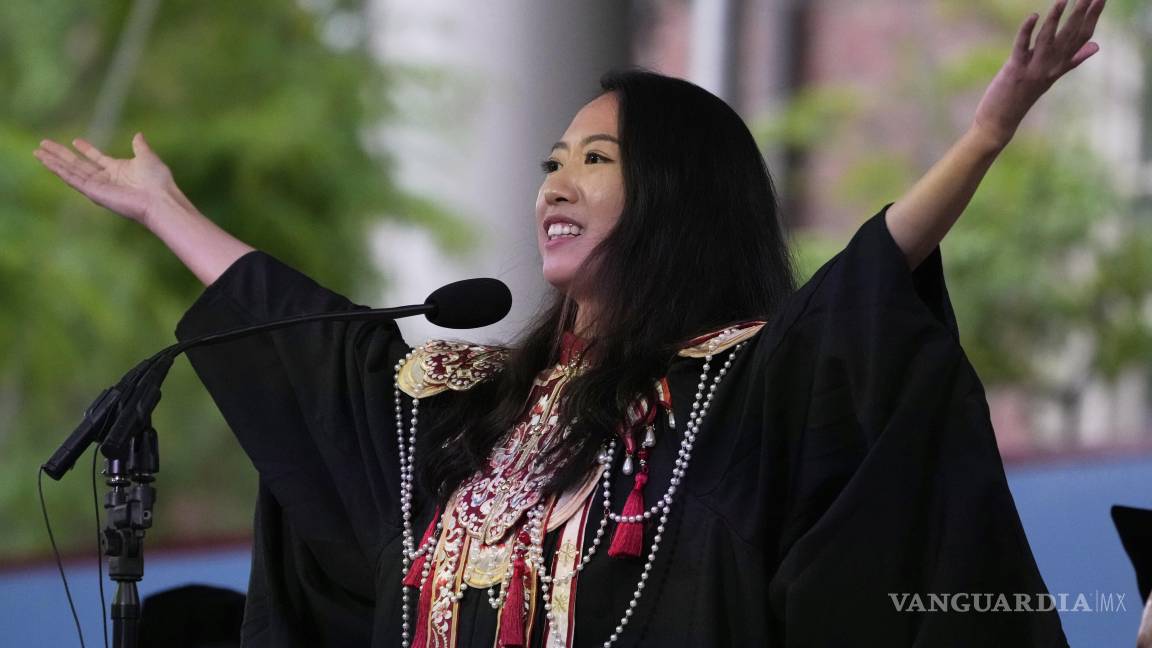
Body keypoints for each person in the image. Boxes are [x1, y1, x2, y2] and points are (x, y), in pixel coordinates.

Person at [34, 1, 1106, 645]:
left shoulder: (727, 395)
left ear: (677, 198)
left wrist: (986, 135)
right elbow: (313, 351)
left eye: (596, 159)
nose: (556, 181)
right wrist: (167, 211)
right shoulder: (463, 408)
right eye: (552, 162)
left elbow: (857, 299)